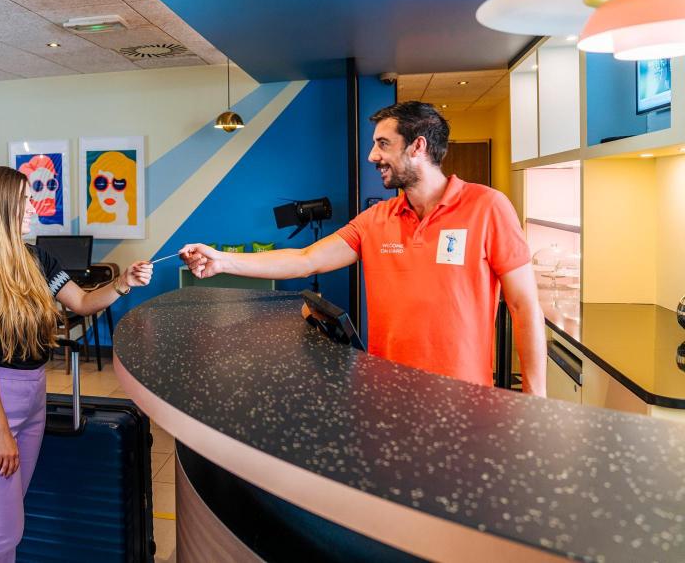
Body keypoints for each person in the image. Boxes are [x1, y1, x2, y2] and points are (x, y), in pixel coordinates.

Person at [180, 101, 546, 396]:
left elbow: (524, 306)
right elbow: (306, 259)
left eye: (383, 143)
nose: (372, 156)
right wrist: (222, 261)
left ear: (418, 146)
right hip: (387, 393)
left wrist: (535, 399)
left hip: (463, 397)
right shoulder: (376, 219)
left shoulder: (488, 206)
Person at [0, 166, 153, 562]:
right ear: (1, 205)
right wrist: (0, 430)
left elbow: (83, 302)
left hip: (33, 398)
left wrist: (124, 282)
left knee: (11, 527)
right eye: (25, 200)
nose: (33, 207)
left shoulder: (37, 258)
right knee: (1, 531)